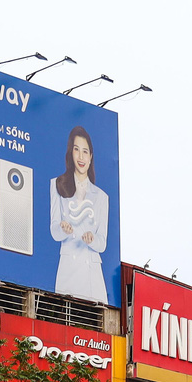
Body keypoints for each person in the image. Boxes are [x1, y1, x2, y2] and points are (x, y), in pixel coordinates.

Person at [49, 126, 111, 303]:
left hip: (92, 273)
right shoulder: (57, 184)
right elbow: (54, 231)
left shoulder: (101, 197)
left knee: (96, 325)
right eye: (77, 150)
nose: (81, 157)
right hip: (68, 267)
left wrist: (92, 239)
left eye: (85, 152)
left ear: (91, 157)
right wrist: (63, 228)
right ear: (71, 153)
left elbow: (103, 243)